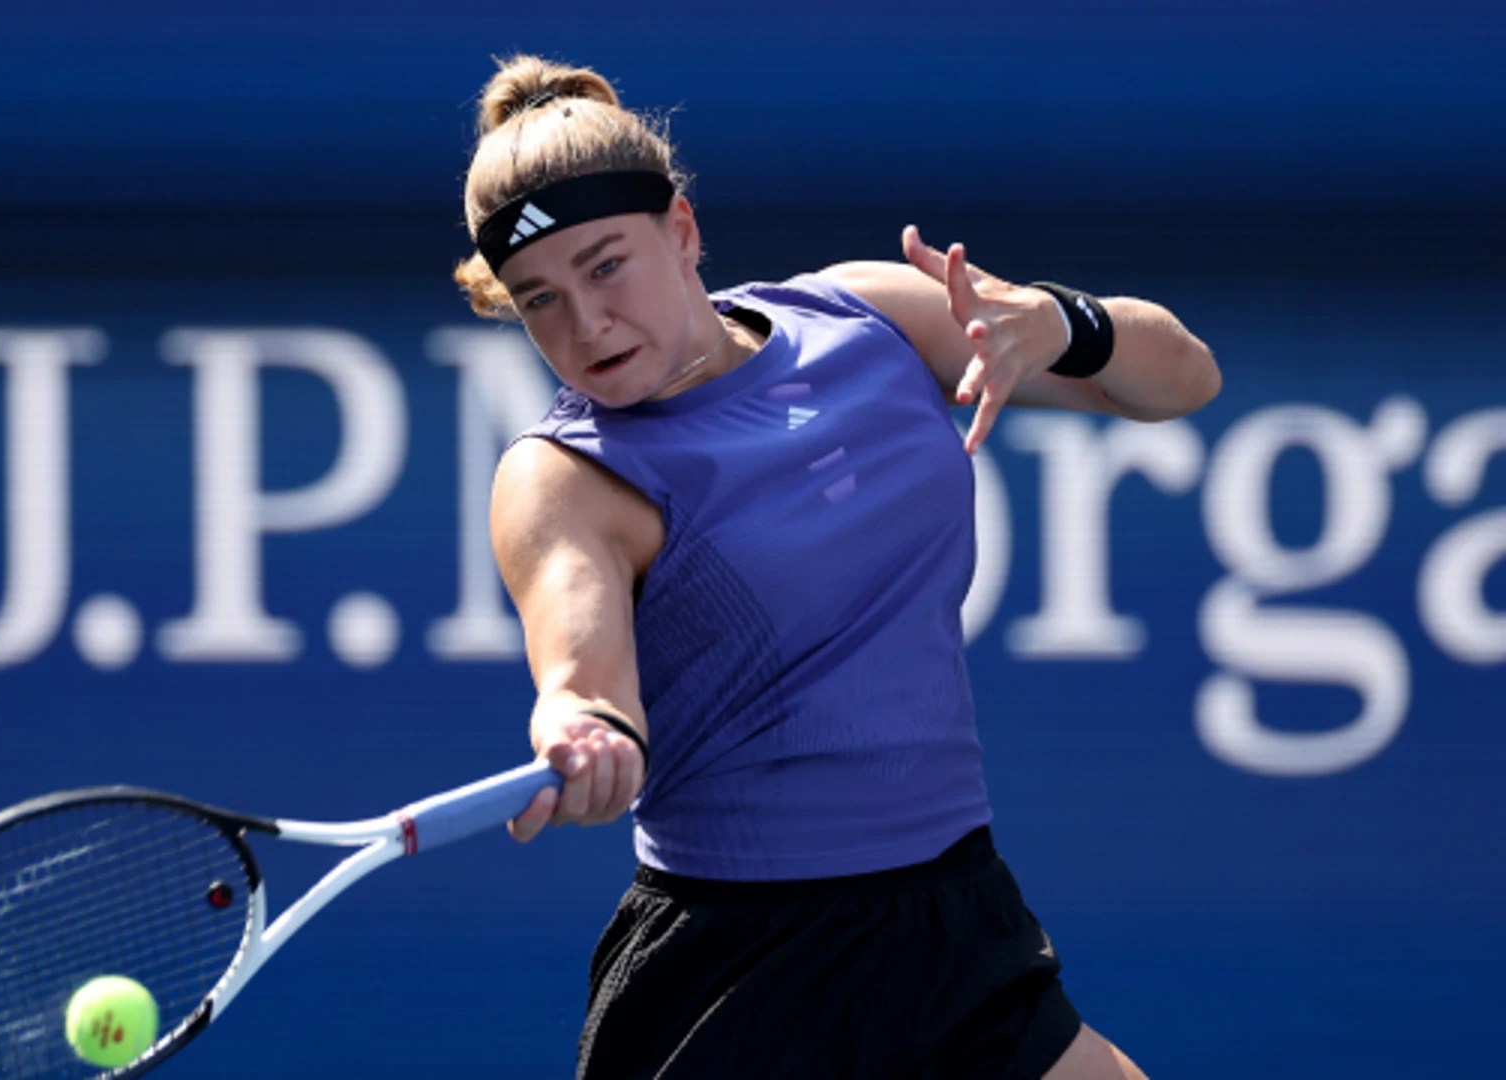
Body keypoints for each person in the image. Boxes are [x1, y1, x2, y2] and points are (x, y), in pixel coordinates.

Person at [453, 55, 1218, 1080]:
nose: (584, 326)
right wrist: (585, 735)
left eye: (605, 266)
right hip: (739, 969)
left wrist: (1055, 323)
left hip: (954, 917)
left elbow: (1182, 378)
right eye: (539, 298)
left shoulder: (871, 319)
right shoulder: (564, 476)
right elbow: (582, 679)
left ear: (681, 230)